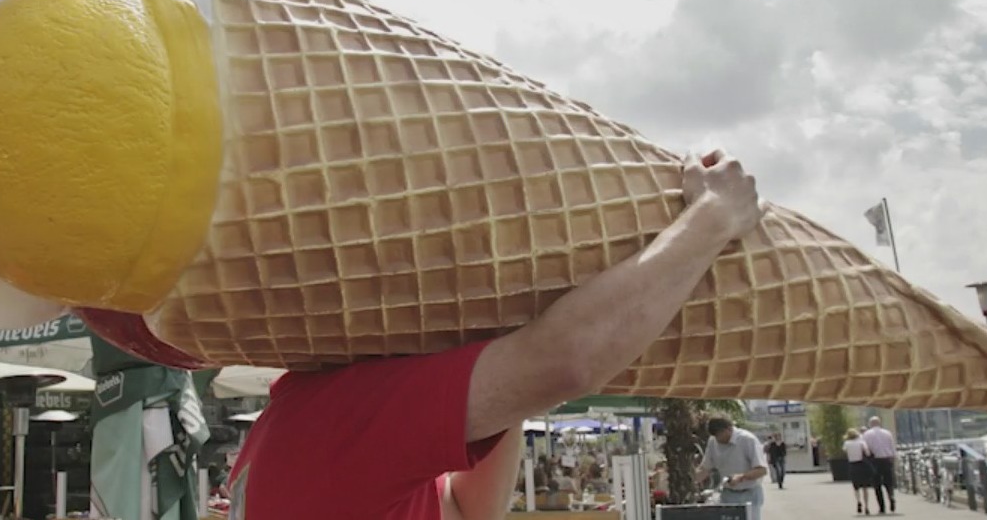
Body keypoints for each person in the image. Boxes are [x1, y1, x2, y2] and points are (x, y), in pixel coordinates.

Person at [226, 150, 763, 519]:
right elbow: (565, 362)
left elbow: (466, 509)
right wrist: (712, 218)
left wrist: (503, 334)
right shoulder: (344, 411)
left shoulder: (296, 415)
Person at [695, 417, 769, 518]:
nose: (718, 439)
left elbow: (762, 470)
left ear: (729, 429)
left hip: (750, 494)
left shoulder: (747, 440)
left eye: (720, 435)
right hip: (727, 494)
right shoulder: (713, 441)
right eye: (715, 436)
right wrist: (692, 480)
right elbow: (705, 468)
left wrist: (741, 477)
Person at [861, 416, 898, 514]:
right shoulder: (887, 433)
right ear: (879, 423)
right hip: (887, 459)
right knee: (889, 482)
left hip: (874, 461)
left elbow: (865, 449)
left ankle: (882, 507)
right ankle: (891, 497)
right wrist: (893, 458)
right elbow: (892, 447)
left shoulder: (866, 434)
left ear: (870, 424)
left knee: (877, 485)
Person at [844, 427, 873, 515]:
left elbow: (845, 451)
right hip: (862, 465)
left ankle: (858, 501)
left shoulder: (846, 443)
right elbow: (867, 453)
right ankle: (867, 506)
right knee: (865, 487)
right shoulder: (861, 442)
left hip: (853, 465)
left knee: (856, 487)